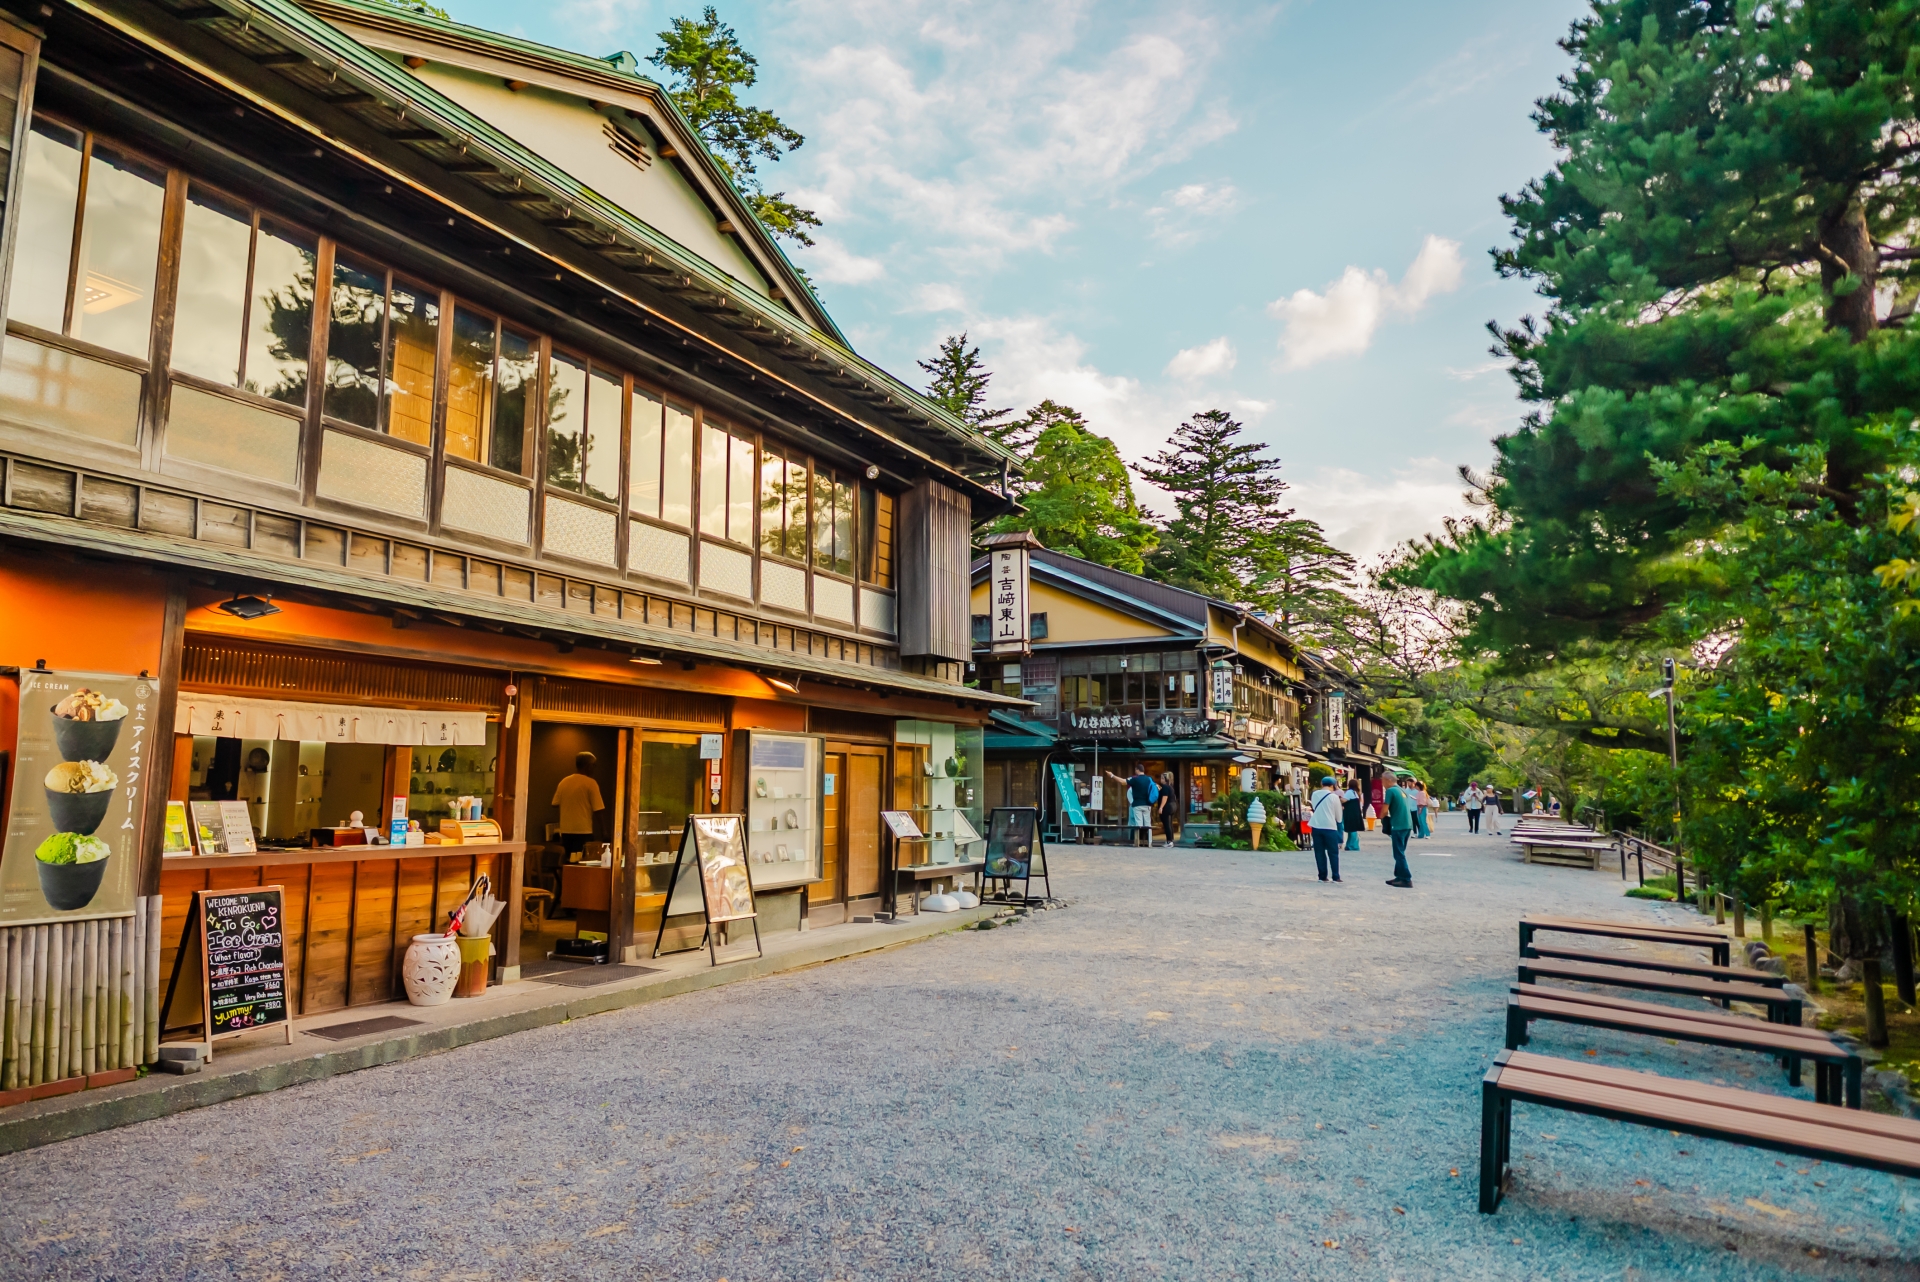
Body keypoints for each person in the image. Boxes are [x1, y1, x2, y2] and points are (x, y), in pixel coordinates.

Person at [553, 751, 605, 858]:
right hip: (583, 830)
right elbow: (598, 810)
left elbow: (555, 803)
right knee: (582, 863)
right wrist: (604, 831)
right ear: (588, 766)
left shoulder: (564, 782)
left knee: (569, 861)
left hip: (566, 831)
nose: (594, 768)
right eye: (594, 765)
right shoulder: (591, 783)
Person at [1382, 773, 1415, 888]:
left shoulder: (1390, 791)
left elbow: (1385, 809)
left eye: (1383, 781)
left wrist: (1382, 817)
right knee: (1400, 851)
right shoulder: (1403, 790)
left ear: (1388, 780)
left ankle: (1406, 878)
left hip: (1398, 825)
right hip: (1407, 824)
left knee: (1399, 853)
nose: (1382, 784)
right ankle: (1399, 876)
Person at [1308, 775, 1344, 882]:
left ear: (1321, 784)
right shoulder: (1334, 797)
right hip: (1330, 827)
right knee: (1333, 852)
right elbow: (1339, 817)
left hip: (1316, 826)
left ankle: (1322, 876)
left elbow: (1315, 807)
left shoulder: (1314, 794)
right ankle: (1336, 876)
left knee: (1319, 852)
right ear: (1333, 785)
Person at [1125, 764, 1157, 847]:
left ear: (1137, 770)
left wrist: (1112, 775)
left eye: (1136, 770)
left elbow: (1124, 782)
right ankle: (1149, 842)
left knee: (1138, 823)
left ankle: (1137, 841)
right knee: (1148, 824)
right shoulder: (1149, 779)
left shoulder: (1135, 780)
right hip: (1147, 804)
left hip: (1137, 805)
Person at [1157, 770, 1178, 845]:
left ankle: (1169, 841)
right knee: (1169, 823)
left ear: (1166, 779)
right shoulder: (1170, 787)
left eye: (1162, 778)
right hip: (1173, 805)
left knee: (1166, 824)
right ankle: (1171, 840)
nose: (1161, 779)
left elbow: (1165, 797)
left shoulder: (1165, 787)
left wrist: (1161, 807)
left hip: (1167, 806)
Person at [1341, 783, 1364, 852]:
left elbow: (1344, 800)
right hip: (1356, 813)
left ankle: (1352, 846)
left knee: (1351, 830)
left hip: (1350, 813)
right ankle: (1349, 845)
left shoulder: (1349, 792)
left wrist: (1338, 798)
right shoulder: (1356, 793)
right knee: (1353, 829)